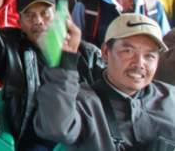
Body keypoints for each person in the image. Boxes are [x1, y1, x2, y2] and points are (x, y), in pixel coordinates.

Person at [0, 0, 104, 151]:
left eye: (45, 13)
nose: (38, 20)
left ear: (59, 16)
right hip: (38, 133)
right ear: (20, 23)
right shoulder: (12, 49)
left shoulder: (88, 53)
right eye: (29, 15)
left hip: (84, 129)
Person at [34, 14, 175, 151]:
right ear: (106, 52)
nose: (139, 64)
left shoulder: (170, 98)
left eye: (149, 55)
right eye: (128, 51)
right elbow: (56, 129)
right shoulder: (82, 103)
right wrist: (64, 63)